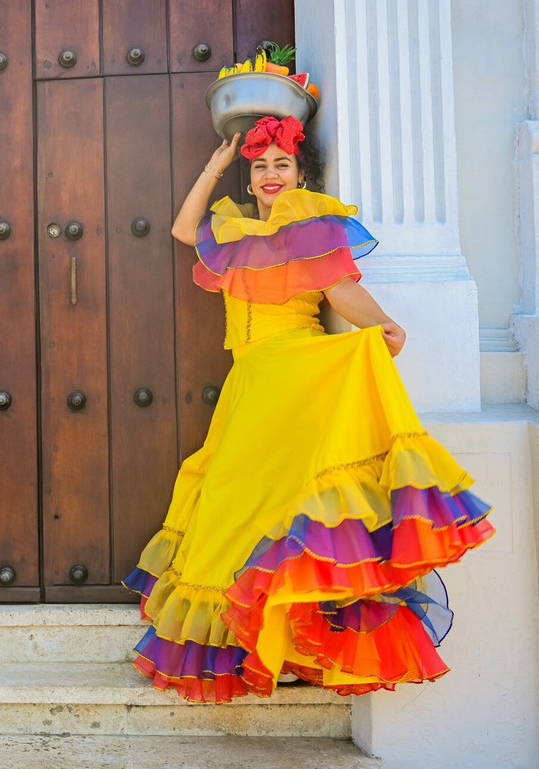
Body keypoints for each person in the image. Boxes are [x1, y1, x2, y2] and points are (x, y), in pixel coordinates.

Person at [122, 114, 495, 703]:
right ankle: (246, 640)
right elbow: (181, 227)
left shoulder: (311, 228)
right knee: (229, 501)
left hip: (299, 372)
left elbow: (340, 290)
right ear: (249, 177)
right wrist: (215, 166)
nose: (271, 175)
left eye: (283, 164)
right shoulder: (232, 229)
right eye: (261, 166)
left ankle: (291, 638)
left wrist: (383, 324)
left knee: (288, 508)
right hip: (251, 381)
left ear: (301, 171)